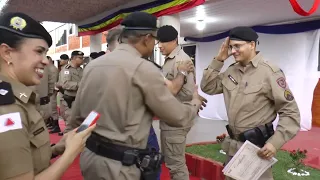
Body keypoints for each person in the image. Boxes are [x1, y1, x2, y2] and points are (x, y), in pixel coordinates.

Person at [65, 12, 204, 180]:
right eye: (155, 40)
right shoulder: (143, 69)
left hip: (92, 160)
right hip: (120, 167)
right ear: (146, 38)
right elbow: (177, 116)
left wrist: (61, 147)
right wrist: (195, 103)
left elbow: (78, 119)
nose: (155, 46)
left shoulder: (93, 66)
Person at [0, 12, 95, 180]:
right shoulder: (7, 108)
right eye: (39, 51)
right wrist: (71, 153)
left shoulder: (18, 97)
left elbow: (27, 156)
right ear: (7, 53)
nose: (46, 61)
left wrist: (59, 148)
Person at [200, 26, 301, 180]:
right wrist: (219, 60)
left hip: (256, 150)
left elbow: (290, 112)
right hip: (233, 148)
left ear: (252, 45)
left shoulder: (270, 72)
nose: (233, 51)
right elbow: (208, 87)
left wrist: (275, 143)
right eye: (231, 47)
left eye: (237, 46)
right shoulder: (231, 71)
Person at [157, 25, 197, 180]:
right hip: (172, 117)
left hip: (176, 118)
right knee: (173, 161)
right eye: (158, 42)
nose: (159, 45)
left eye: (163, 42)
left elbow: (185, 92)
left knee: (176, 165)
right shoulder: (172, 59)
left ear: (174, 41)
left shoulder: (180, 61)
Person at [58, 50, 84, 136]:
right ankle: (64, 145)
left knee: (79, 123)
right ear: (73, 58)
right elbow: (65, 84)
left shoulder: (81, 70)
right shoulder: (66, 70)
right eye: (80, 58)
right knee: (70, 124)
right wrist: (79, 85)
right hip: (70, 100)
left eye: (82, 58)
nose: (82, 60)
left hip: (79, 100)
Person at [47, 56, 61, 133]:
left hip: (52, 91)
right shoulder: (49, 69)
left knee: (53, 108)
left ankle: (56, 126)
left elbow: (53, 82)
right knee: (50, 108)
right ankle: (53, 123)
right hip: (50, 91)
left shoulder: (52, 69)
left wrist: (50, 91)